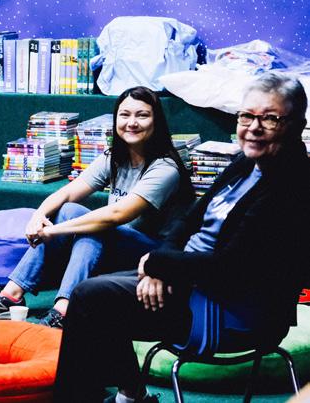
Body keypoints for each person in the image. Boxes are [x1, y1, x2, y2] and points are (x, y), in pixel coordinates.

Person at [53, 72, 310, 402]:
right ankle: (130, 396)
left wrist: (160, 264)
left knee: (92, 300)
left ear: (297, 124)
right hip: (192, 281)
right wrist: (162, 265)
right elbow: (190, 220)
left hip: (226, 310)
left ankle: (111, 396)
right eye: (247, 116)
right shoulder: (246, 161)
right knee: (96, 294)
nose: (254, 127)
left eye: (270, 118)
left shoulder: (291, 186)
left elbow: (231, 267)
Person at [0, 86, 193, 328]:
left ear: (156, 121)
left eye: (142, 115)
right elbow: (68, 192)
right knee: (69, 209)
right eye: (125, 115)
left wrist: (53, 230)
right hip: (117, 243)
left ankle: (64, 310)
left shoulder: (165, 168)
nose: (132, 122)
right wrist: (38, 216)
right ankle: (12, 294)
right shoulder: (116, 156)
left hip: (152, 254)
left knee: (96, 227)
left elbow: (117, 215)